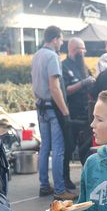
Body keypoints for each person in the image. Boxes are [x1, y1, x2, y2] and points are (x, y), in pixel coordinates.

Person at [31, 25, 77, 200]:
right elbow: (55, 87)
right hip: (53, 108)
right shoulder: (52, 57)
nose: (62, 43)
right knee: (58, 149)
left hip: (40, 106)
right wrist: (65, 112)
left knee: (45, 147)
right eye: (61, 39)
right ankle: (60, 190)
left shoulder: (37, 55)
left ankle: (44, 185)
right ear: (55, 39)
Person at [63, 37, 95, 167]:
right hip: (71, 114)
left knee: (86, 147)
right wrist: (82, 83)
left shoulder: (84, 66)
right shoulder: (63, 66)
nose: (82, 52)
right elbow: (65, 90)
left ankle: (86, 173)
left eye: (83, 49)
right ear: (72, 50)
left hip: (85, 112)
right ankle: (65, 179)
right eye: (80, 49)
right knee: (68, 147)